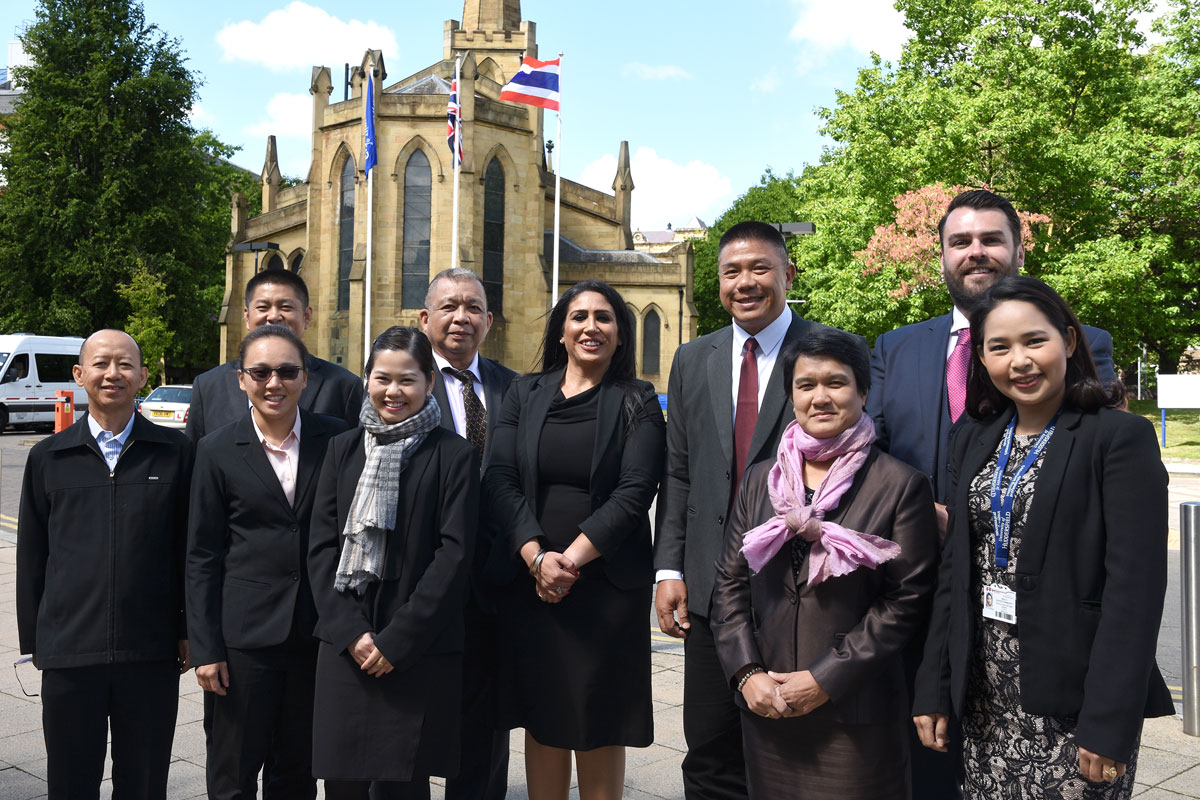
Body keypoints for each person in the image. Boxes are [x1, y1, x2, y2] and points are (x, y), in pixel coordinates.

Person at [867, 189, 1117, 798]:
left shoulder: (1081, 344)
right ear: (942, 255)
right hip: (918, 592)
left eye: (991, 240)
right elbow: (867, 450)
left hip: (1031, 610)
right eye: (960, 242)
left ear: (1019, 249)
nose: (975, 253)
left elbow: (1086, 471)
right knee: (927, 768)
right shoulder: (895, 347)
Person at [913, 276, 1174, 799]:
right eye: (999, 347)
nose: (1020, 361)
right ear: (981, 360)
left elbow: (1135, 593)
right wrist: (935, 685)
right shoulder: (973, 437)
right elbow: (955, 573)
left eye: (1035, 341)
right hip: (985, 694)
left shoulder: (1117, 438)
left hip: (1074, 701)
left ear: (1069, 342)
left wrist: (1109, 721)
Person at [653, 220, 846, 798]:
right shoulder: (693, 359)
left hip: (799, 591)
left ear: (788, 274)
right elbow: (680, 474)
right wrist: (669, 569)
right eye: (731, 272)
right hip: (713, 592)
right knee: (709, 752)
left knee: (795, 751)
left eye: (760, 269)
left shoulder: (830, 350)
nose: (746, 282)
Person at [710, 329, 937, 799]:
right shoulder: (761, 480)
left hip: (855, 711)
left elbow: (905, 602)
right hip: (767, 703)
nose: (820, 397)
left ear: (863, 391)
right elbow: (730, 583)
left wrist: (823, 679)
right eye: (805, 384)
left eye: (836, 382)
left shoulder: (899, 485)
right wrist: (746, 672)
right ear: (790, 394)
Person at [484, 280, 665, 800]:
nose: (591, 327)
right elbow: (499, 477)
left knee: (599, 717)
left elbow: (635, 491)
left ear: (619, 333)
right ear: (561, 330)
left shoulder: (637, 398)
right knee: (544, 714)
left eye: (604, 318)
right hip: (531, 582)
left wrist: (570, 561)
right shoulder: (524, 392)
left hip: (605, 585)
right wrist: (537, 557)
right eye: (579, 316)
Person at [16, 329, 192, 800]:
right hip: (71, 654)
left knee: (145, 783)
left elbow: (188, 551)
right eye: (100, 363)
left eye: (125, 364)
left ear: (143, 377)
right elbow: (33, 556)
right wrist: (36, 641)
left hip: (150, 652)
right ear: (79, 375)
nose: (113, 373)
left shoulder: (175, 454)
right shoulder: (48, 457)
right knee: (72, 783)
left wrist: (187, 629)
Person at [307, 326, 478, 799]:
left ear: (429, 382)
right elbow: (321, 547)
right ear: (367, 380)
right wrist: (351, 633)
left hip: (415, 647)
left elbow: (454, 554)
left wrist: (398, 641)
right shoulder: (342, 449)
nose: (393, 391)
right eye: (382, 378)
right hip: (346, 642)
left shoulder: (453, 454)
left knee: (405, 783)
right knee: (341, 783)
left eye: (408, 380)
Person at [186, 325, 348, 799]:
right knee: (233, 775)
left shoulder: (336, 439)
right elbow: (201, 554)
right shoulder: (216, 449)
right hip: (243, 640)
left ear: (305, 377)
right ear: (241, 379)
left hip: (314, 635)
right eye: (260, 372)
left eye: (286, 371)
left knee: (297, 773)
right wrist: (206, 647)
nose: (273, 382)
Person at [419, 267, 516, 800]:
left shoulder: (514, 388)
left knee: (484, 730)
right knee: (406, 725)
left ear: (488, 320)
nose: (462, 317)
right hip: (418, 582)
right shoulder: (401, 384)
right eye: (450, 306)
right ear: (425, 317)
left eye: (474, 307)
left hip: (491, 586)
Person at [187, 269, 362, 443]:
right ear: (247, 317)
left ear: (307, 316)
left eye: (285, 307)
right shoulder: (208, 386)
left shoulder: (343, 385)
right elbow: (196, 463)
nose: (273, 316)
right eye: (263, 307)